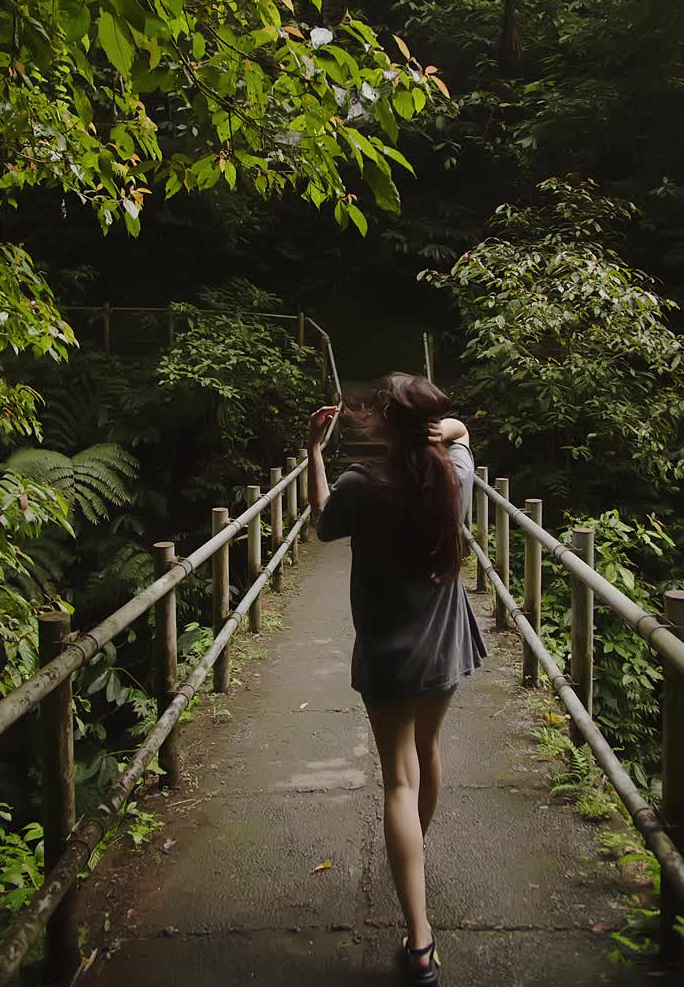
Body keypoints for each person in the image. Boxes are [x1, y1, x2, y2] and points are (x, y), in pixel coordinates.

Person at [306, 373, 486, 986]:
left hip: (384, 651)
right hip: (440, 646)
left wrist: (312, 452)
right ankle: (412, 853)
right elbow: (462, 435)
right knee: (428, 755)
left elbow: (322, 524)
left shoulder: (360, 485)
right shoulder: (452, 476)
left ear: (382, 421)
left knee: (397, 783)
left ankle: (419, 942)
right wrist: (452, 428)